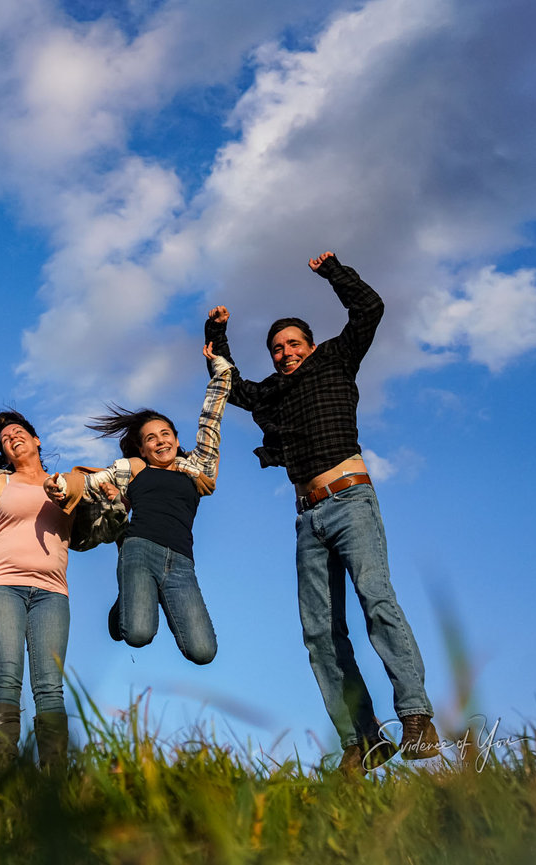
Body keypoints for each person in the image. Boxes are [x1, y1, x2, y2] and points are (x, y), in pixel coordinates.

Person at [204, 251, 440, 776]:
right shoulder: (273, 393)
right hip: (307, 518)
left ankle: (417, 716)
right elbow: (231, 385)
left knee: (376, 599)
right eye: (276, 348)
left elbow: (370, 310)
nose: (285, 353)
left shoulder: (336, 359)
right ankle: (362, 738)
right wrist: (217, 335)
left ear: (310, 346)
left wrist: (334, 271)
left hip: (351, 500)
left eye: (292, 344)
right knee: (319, 631)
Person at [0, 411, 123, 774]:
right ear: (4, 452)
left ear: (37, 441)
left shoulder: (70, 483)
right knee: (6, 676)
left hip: (52, 592)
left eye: (19, 432)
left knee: (50, 686)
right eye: (5, 438)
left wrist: (112, 500)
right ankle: (7, 775)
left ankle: (53, 777)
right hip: (1, 585)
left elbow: (104, 532)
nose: (12, 438)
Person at [57, 343, 232, 663]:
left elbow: (211, 422)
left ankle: (134, 595)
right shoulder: (135, 469)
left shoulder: (197, 470)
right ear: (142, 448)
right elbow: (91, 482)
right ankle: (128, 598)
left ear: (177, 440)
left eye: (165, 434)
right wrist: (62, 486)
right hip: (139, 549)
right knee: (138, 635)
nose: (160, 440)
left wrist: (220, 374)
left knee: (203, 652)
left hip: (181, 562)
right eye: (151, 438)